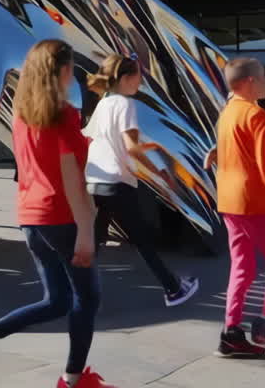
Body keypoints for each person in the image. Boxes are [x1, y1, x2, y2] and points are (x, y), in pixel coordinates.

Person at [0, 40, 113, 388]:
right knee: (88, 298)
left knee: (57, 301)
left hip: (32, 219)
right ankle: (73, 380)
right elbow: (71, 180)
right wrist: (87, 228)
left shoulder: (23, 114)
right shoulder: (63, 115)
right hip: (62, 217)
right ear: (65, 71)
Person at [82, 54, 199, 306]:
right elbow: (132, 148)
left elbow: (89, 136)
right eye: (138, 76)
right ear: (125, 78)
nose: (141, 82)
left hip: (95, 178)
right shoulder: (125, 105)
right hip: (116, 179)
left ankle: (76, 291)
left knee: (96, 240)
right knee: (141, 239)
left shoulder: (104, 103)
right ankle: (173, 289)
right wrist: (160, 172)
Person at [203, 57, 265, 356]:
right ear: (249, 83)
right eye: (264, 77)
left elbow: (227, 147)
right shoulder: (257, 115)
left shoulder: (228, 112)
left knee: (242, 266)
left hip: (229, 200)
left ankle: (231, 332)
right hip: (253, 201)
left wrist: (216, 153)